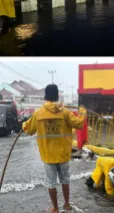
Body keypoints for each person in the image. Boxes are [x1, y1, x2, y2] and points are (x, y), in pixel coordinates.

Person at [22, 84, 87, 213]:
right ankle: (67, 205)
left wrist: (24, 124)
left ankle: (55, 208)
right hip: (63, 154)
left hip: (48, 156)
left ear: (45, 96)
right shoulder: (65, 112)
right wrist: (82, 113)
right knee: (65, 180)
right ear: (57, 96)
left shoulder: (38, 113)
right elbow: (79, 124)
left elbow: (28, 130)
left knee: (51, 183)